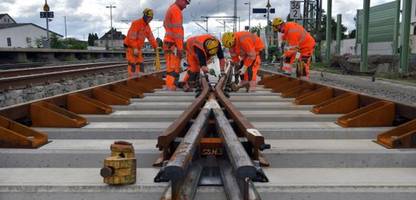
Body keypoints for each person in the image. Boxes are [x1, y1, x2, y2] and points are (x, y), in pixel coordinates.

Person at [163, 0, 191, 90]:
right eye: (185, 3)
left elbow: (165, 25)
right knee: (172, 67)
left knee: (173, 66)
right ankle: (170, 86)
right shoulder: (176, 11)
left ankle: (172, 85)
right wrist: (180, 47)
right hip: (173, 44)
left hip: (169, 43)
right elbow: (177, 32)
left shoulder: (171, 8)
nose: (186, 6)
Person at [124, 8, 158, 77]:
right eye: (149, 17)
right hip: (131, 47)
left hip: (137, 48)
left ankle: (139, 79)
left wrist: (156, 46)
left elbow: (151, 38)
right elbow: (131, 38)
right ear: (145, 16)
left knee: (140, 64)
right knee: (132, 64)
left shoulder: (147, 27)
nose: (150, 19)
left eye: (151, 18)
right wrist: (135, 48)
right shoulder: (136, 23)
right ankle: (131, 80)